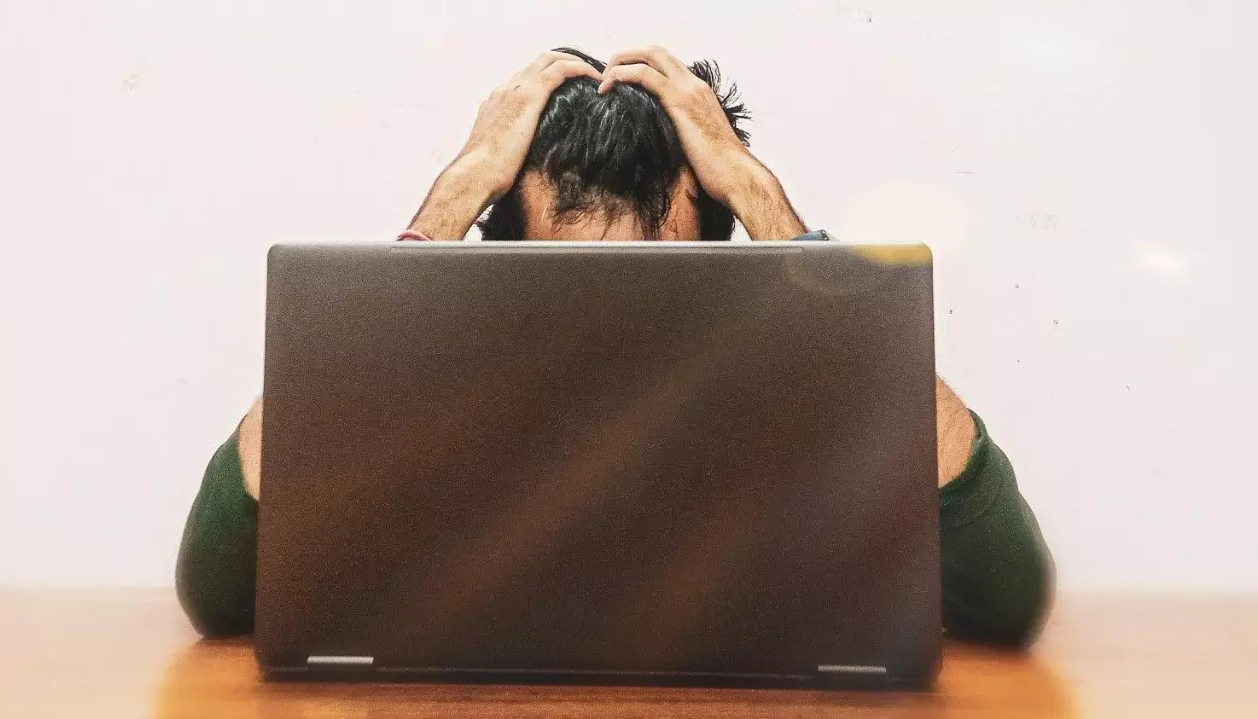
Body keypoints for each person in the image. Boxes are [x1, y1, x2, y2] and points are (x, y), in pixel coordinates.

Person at [176, 46, 1053, 646]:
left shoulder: (796, 386)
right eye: (570, 291)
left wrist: (767, 209)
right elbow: (217, 586)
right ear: (497, 272)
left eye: (655, 288)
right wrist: (441, 217)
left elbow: (1008, 595)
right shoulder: (426, 390)